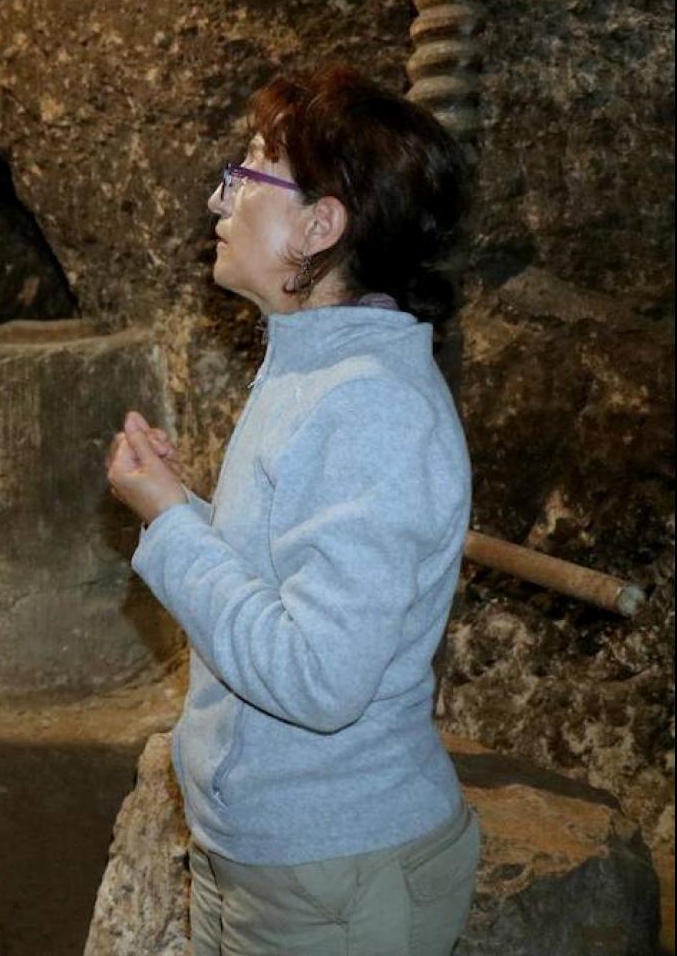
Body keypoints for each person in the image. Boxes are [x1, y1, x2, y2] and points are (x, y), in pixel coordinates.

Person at [104, 65, 479, 956]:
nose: (218, 199)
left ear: (321, 226)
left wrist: (170, 524)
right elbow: (287, 582)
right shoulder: (312, 365)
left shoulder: (369, 404)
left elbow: (318, 678)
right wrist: (189, 504)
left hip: (333, 878)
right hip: (279, 860)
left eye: (248, 175)